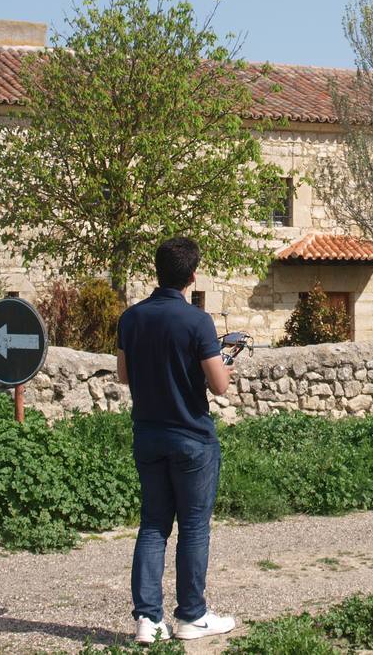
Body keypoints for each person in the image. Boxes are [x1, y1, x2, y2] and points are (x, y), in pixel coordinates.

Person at [116, 236, 236, 645]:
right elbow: (219, 387)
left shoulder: (130, 319)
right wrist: (225, 364)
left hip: (147, 434)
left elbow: (124, 376)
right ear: (192, 275)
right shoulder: (197, 320)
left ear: (157, 271)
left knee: (153, 525)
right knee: (194, 528)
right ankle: (191, 615)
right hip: (191, 438)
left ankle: (148, 620)